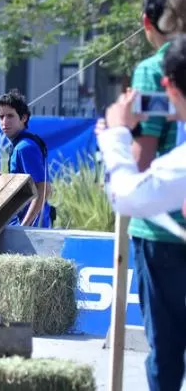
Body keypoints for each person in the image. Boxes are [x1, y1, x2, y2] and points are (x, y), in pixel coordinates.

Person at [97, 32, 186, 391]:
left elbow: (129, 196)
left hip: (160, 236)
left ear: (169, 86)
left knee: (165, 350)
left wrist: (116, 134)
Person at [0, 89, 52, 228]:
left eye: (10, 116)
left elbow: (44, 190)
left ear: (23, 118)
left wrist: (25, 226)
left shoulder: (25, 148)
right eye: (1, 117)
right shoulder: (19, 145)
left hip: (34, 229)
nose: (5, 122)